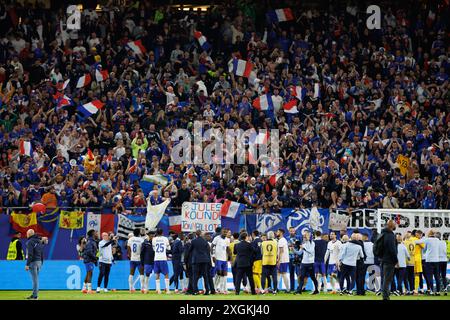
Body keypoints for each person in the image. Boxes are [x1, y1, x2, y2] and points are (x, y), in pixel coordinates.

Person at [415, 230, 441, 295]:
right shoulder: (437, 240)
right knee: (437, 276)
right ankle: (438, 291)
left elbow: (420, 245)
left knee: (430, 276)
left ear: (429, 234)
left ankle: (431, 290)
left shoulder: (427, 239)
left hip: (429, 260)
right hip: (436, 260)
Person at [379, 220, 398, 300]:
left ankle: (385, 295)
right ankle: (386, 297)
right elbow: (392, 249)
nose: (396, 225)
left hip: (383, 259)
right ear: (392, 226)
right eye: (395, 224)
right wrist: (396, 260)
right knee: (387, 280)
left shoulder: (382, 234)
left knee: (385, 279)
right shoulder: (390, 235)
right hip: (389, 260)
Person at [25, 229, 47, 300]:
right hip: (39, 262)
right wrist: (41, 261)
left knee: (35, 280)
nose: (26, 235)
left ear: (29, 234)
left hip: (33, 262)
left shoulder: (30, 242)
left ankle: (35, 296)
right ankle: (34, 294)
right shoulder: (39, 241)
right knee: (36, 279)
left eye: (27, 234)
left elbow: (30, 254)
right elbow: (41, 252)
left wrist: (27, 264)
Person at [187, 230, 211, 295]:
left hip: (196, 260)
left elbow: (190, 250)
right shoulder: (205, 241)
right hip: (204, 260)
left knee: (195, 275)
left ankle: (195, 291)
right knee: (205, 276)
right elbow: (208, 250)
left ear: (196, 235)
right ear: (200, 234)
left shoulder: (193, 241)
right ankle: (207, 291)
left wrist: (187, 260)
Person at [295, 230, 319, 295]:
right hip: (304, 263)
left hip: (310, 263)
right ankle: (299, 291)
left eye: (306, 235)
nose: (304, 237)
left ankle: (316, 290)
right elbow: (300, 253)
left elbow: (310, 251)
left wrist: (303, 248)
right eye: (304, 236)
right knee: (301, 277)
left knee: (313, 277)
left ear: (309, 236)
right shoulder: (303, 244)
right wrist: (293, 250)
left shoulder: (312, 243)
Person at [211, 228, 230, 294]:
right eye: (224, 232)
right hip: (218, 258)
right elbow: (212, 246)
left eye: (226, 232)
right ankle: (214, 288)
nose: (225, 233)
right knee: (219, 272)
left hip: (224, 259)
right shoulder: (217, 238)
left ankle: (221, 289)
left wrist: (229, 257)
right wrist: (213, 256)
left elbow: (227, 248)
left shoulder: (227, 240)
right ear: (221, 232)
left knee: (224, 274)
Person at [152, 228, 171, 294]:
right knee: (166, 274)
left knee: (157, 274)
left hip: (156, 258)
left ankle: (158, 290)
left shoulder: (154, 239)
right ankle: (167, 290)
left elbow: (154, 249)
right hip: (163, 258)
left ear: (157, 233)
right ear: (162, 232)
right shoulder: (165, 239)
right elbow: (169, 248)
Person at [127, 228, 145, 293]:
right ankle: (142, 289)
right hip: (139, 259)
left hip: (132, 259)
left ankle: (131, 288)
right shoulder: (141, 240)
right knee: (142, 273)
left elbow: (128, 248)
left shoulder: (130, 239)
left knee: (131, 273)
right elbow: (143, 250)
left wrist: (130, 255)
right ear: (139, 233)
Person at [82, 229, 98, 294]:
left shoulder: (92, 241)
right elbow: (89, 252)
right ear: (93, 234)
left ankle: (84, 288)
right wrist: (95, 258)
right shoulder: (90, 242)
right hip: (89, 259)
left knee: (88, 273)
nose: (97, 234)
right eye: (96, 233)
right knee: (90, 273)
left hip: (89, 259)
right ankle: (89, 290)